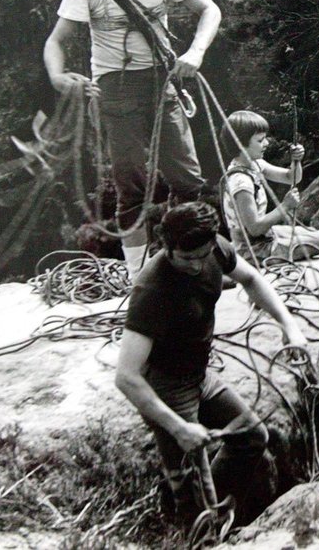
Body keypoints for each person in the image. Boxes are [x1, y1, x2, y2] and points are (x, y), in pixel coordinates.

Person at [44, 0, 221, 278]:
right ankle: (139, 277)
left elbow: (209, 10)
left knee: (188, 178)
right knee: (131, 184)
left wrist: (196, 52)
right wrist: (58, 76)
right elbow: (57, 41)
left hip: (162, 78)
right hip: (115, 86)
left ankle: (192, 260)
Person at [115, 201, 307, 522]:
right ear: (167, 246)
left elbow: (252, 279)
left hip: (200, 376)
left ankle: (201, 505)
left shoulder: (213, 248)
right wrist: (179, 428)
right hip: (166, 387)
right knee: (194, 484)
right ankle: (194, 519)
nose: (196, 265)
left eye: (202, 256)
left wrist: (290, 327)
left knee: (251, 437)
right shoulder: (152, 290)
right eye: (186, 258)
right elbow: (126, 377)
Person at [221, 110, 319, 262]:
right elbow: (254, 228)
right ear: (240, 144)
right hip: (251, 247)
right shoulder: (241, 182)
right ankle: (263, 258)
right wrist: (285, 206)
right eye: (260, 140)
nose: (266, 143)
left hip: (263, 236)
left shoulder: (256, 164)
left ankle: (279, 248)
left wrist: (296, 161)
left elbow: (292, 178)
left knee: (311, 232)